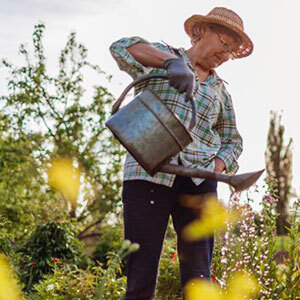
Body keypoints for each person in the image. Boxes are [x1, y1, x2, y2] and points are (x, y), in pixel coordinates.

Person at [110, 7, 253, 300]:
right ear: (202, 32)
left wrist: (216, 166)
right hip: (149, 173)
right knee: (140, 271)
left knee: (199, 275)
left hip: (199, 184)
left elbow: (232, 140)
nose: (226, 55)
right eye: (224, 45)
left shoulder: (220, 91)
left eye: (231, 52)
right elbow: (121, 48)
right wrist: (172, 63)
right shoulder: (161, 55)